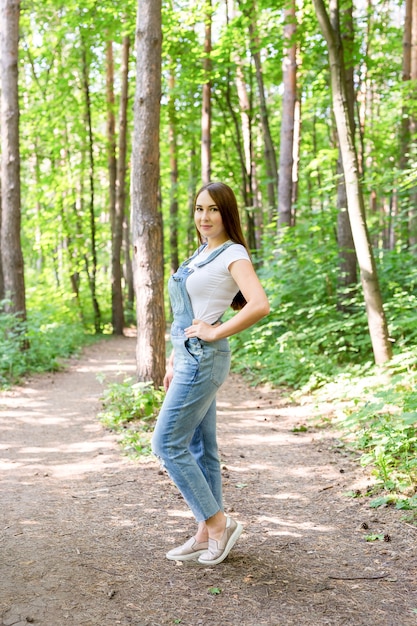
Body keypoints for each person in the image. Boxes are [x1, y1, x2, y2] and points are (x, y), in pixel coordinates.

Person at [151, 181, 270, 566]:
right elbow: (184, 315)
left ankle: (219, 523)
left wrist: (216, 330)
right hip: (188, 358)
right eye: (200, 209)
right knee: (202, 449)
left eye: (213, 209)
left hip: (205, 357)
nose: (204, 216)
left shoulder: (232, 253)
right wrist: (172, 361)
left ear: (227, 214)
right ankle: (205, 532)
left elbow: (259, 304)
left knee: (166, 444)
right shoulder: (202, 253)